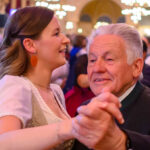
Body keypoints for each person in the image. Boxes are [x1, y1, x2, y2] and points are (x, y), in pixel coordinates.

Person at [0, 6, 124, 150]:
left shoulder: (55, 91)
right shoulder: (16, 84)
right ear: (30, 45)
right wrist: (73, 125)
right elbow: (3, 142)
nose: (66, 40)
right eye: (56, 33)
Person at [72, 23, 150, 150]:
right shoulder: (85, 109)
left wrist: (122, 142)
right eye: (92, 60)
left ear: (136, 67)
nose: (97, 68)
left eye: (109, 59)